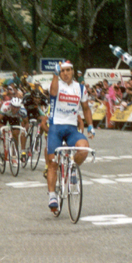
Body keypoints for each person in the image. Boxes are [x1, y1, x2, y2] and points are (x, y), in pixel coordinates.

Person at [46, 60, 95, 212]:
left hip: (71, 128)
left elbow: (86, 108)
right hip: (56, 127)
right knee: (53, 162)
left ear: (73, 71)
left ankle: (73, 169)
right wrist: (55, 75)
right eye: (62, 71)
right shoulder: (57, 84)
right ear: (59, 73)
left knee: (84, 149)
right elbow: (53, 93)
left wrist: (90, 125)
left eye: (68, 70)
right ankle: (52, 194)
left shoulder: (80, 88)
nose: (65, 73)